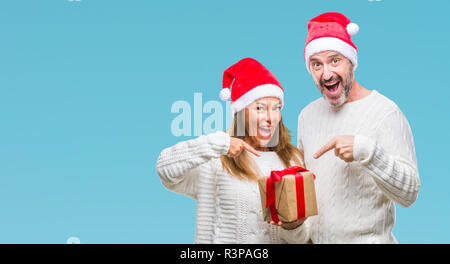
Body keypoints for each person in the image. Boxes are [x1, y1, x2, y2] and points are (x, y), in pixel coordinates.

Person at [295, 12, 421, 243]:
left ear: (351, 61)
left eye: (335, 60)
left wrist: (367, 151)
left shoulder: (385, 112)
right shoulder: (306, 116)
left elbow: (409, 193)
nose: (326, 73)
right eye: (316, 65)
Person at [156, 58, 307, 243]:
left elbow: (302, 239)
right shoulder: (215, 160)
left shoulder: (293, 161)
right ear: (241, 113)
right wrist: (220, 144)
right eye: (260, 108)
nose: (270, 117)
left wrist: (294, 227)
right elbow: (165, 170)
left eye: (276, 108)